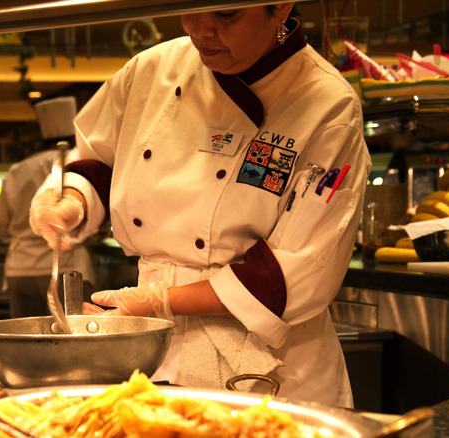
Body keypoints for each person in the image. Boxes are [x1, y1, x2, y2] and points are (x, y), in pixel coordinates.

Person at [28, 4, 370, 408]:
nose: (200, 30)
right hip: (153, 344)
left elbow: (300, 269)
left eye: (226, 15)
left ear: (280, 7)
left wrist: (160, 300)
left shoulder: (328, 105)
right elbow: (99, 160)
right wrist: (72, 200)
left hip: (269, 367)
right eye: (187, 9)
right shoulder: (152, 69)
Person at [0, 97, 97, 318]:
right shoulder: (81, 165)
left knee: (26, 341)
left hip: (22, 268)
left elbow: (0, 220)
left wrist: (14, 238)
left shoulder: (18, 170)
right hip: (69, 268)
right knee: (74, 340)